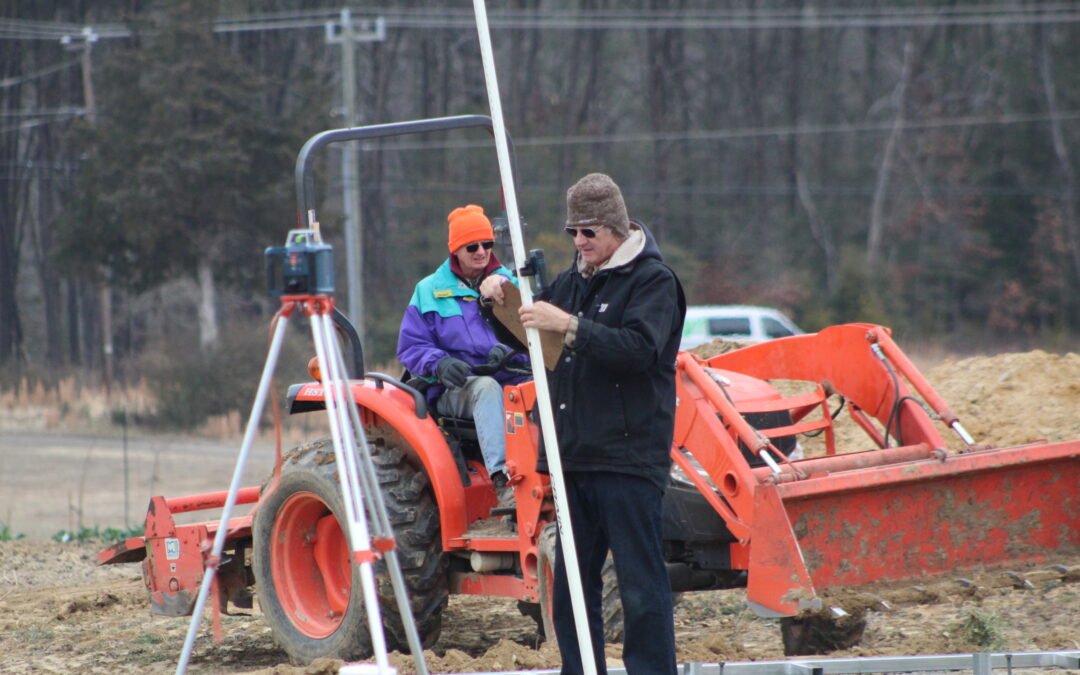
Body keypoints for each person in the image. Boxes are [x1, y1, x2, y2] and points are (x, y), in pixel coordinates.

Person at [488, 173, 685, 674]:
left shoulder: (653, 281)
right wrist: (497, 303)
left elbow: (640, 350)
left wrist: (571, 326)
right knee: (572, 586)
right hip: (572, 456)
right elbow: (536, 341)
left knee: (641, 586)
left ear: (616, 228)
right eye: (573, 231)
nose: (578, 242)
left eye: (589, 232)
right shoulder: (571, 281)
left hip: (627, 458)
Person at [397, 204, 529, 508]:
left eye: (487, 244)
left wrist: (509, 347)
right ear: (456, 249)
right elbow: (411, 346)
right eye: (472, 246)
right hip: (457, 387)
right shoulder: (428, 291)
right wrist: (440, 364)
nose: (481, 251)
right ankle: (503, 481)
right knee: (485, 388)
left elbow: (534, 333)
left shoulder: (510, 284)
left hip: (513, 380)